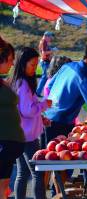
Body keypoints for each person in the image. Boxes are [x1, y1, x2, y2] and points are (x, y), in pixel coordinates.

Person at [10, 47, 51, 199]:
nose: (35, 68)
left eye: (36, 64)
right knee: (37, 173)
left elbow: (24, 110)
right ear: (22, 64)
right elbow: (28, 110)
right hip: (27, 138)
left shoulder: (18, 82)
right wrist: (44, 104)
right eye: (32, 65)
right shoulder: (23, 85)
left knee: (23, 173)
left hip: (20, 135)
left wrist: (40, 118)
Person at [0, 37, 25, 199]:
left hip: (9, 146)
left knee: (3, 191)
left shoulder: (3, 83)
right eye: (9, 60)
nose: (12, 64)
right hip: (3, 145)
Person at [36, 31, 54, 96]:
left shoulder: (45, 42)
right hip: (44, 61)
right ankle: (38, 92)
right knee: (45, 77)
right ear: (46, 36)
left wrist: (51, 49)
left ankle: (39, 92)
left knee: (46, 77)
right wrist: (52, 50)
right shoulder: (43, 42)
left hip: (45, 61)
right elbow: (44, 53)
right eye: (50, 37)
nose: (50, 38)